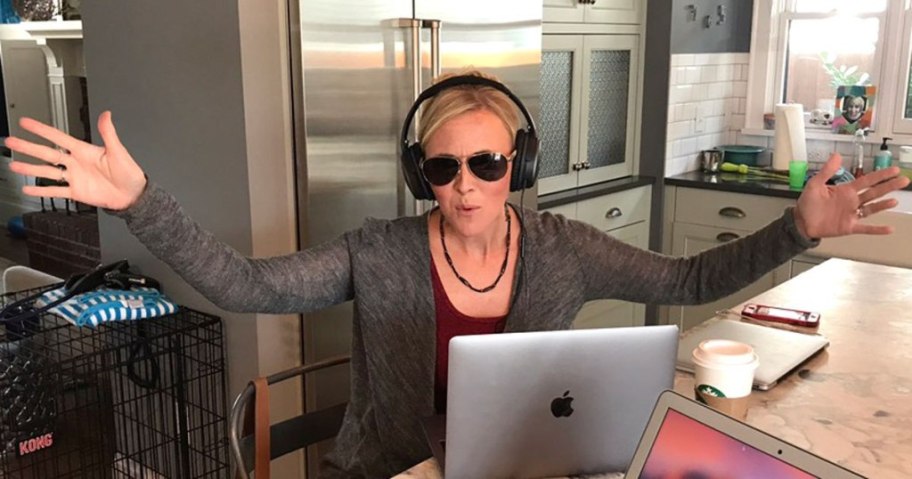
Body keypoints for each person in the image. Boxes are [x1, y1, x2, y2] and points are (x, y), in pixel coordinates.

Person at [4, 71, 909, 478]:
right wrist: (137, 201)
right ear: (419, 176)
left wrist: (796, 229)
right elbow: (244, 284)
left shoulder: (565, 247)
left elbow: (687, 277)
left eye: (487, 163)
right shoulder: (379, 251)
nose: (466, 185)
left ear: (518, 163)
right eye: (444, 169)